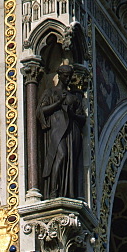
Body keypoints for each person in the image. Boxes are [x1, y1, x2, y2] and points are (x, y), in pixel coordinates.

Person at [38, 62, 86, 199]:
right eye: (65, 76)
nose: (68, 79)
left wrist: (73, 115)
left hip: (72, 132)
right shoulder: (50, 92)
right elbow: (40, 111)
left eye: (70, 76)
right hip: (56, 130)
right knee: (61, 154)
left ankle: (66, 193)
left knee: (69, 161)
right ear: (59, 75)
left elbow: (82, 118)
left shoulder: (74, 97)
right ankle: (53, 191)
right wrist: (57, 104)